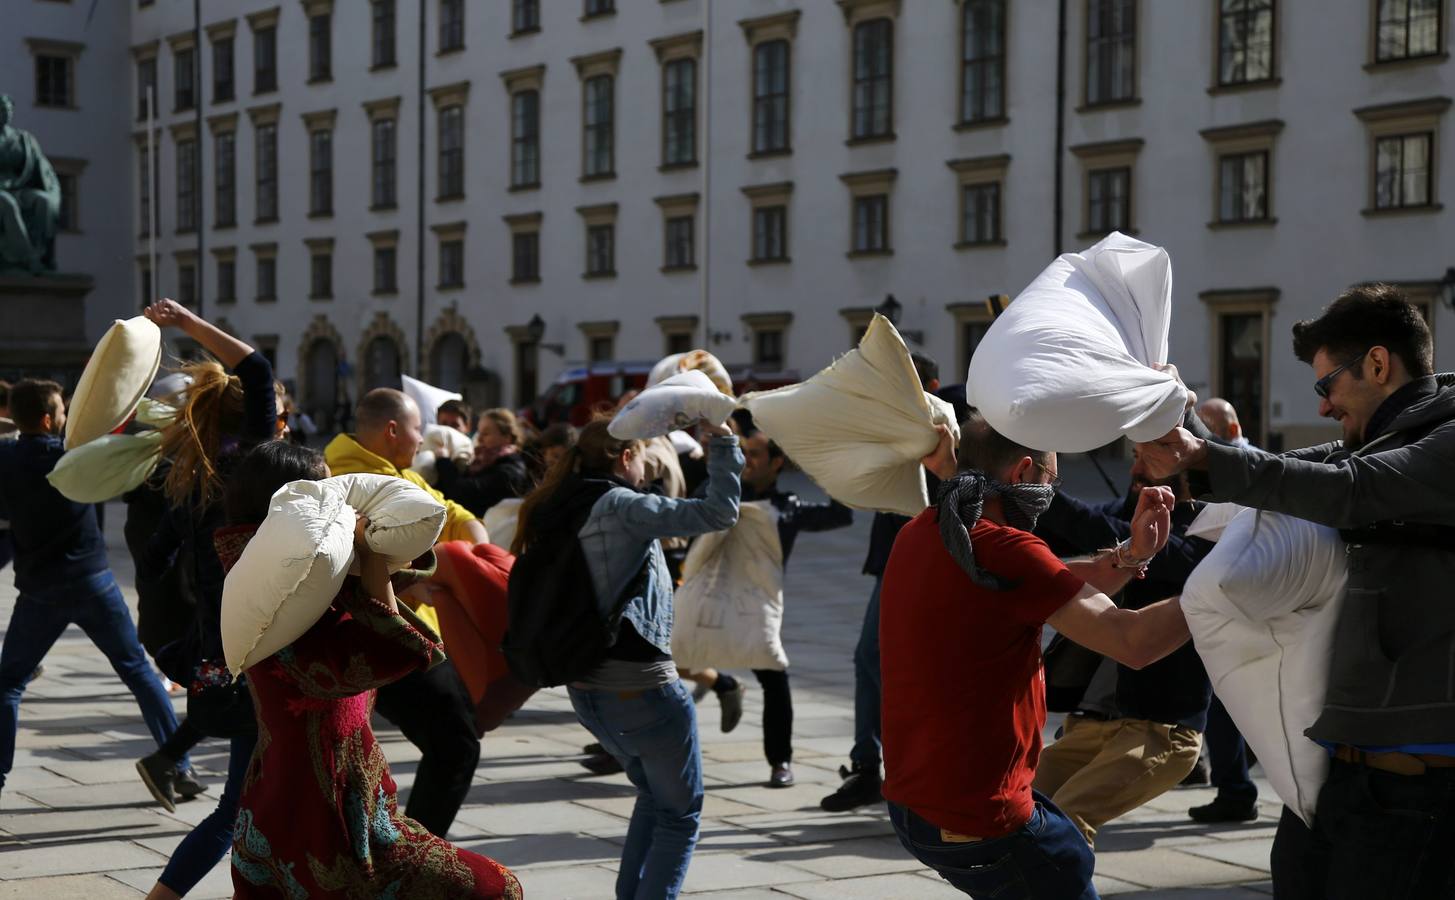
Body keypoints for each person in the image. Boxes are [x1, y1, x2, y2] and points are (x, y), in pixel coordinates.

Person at [1136, 284, 1455, 899]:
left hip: (1421, 788)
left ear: (1379, 364)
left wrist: (1201, 452)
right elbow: (1286, 476)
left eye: (1326, 385)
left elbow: (1349, 490)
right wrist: (1174, 416)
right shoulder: (1377, 443)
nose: (1326, 406)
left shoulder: (1439, 444)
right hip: (1347, 770)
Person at [881, 410, 1191, 898]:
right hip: (981, 812)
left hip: (914, 803)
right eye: (1052, 477)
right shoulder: (1004, 549)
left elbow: (1051, 580)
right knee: (1065, 865)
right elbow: (1134, 643)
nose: (1050, 494)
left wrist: (1132, 555)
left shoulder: (925, 530)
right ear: (1024, 473)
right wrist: (1225, 585)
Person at [215, 442, 521, 899]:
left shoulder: (272, 581)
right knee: (498, 889)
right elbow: (379, 651)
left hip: (281, 796)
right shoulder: (291, 595)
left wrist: (378, 548)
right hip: (332, 817)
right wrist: (372, 554)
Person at [514, 416, 741, 899]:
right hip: (643, 691)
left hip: (587, 692)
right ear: (624, 457)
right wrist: (723, 442)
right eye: (642, 456)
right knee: (680, 816)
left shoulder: (558, 502)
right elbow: (719, 512)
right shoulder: (620, 505)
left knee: (655, 800)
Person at [131, 299, 285, 899]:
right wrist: (190, 324)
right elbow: (259, 370)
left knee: (255, 803)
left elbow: (152, 562)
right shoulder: (260, 467)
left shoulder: (194, 487)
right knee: (239, 806)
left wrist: (183, 643)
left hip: (224, 655)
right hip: (277, 656)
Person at [0, 379, 185, 808]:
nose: (66, 417)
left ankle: (0, 773)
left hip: (40, 588)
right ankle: (178, 764)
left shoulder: (6, 457)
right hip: (94, 581)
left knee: (9, 684)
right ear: (49, 419)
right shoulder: (78, 453)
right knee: (138, 671)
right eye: (61, 411)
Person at [1031, 447, 1215, 846]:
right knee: (1021, 807)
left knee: (1064, 824)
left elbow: (1097, 527)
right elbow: (1064, 529)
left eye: (1147, 458)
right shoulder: (1132, 511)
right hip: (1096, 724)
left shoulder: (1205, 536)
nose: (1134, 467)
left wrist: (1038, 479)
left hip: (1162, 731)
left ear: (1182, 473)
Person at [324, 388, 485, 836]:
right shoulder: (354, 479)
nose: (423, 439)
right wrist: (424, 578)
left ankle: (405, 854)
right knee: (456, 744)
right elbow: (371, 566)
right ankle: (414, 861)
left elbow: (448, 510)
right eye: (418, 429)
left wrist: (474, 540)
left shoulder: (397, 473)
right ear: (393, 430)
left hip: (400, 632)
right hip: (382, 634)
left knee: (453, 740)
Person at [822, 351, 940, 812]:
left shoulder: (945, 424)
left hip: (928, 563)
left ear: (928, 386)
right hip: (893, 559)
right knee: (869, 660)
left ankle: (910, 770)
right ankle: (870, 767)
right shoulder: (891, 428)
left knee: (892, 664)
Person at [1186, 397, 1260, 824]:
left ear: (1230, 431)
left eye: (1208, 431)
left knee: (1222, 702)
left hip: (1237, 606)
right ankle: (1232, 779)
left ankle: (1235, 786)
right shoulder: (1237, 467)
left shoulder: (1244, 470)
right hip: (1233, 603)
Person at [436, 407, 533, 518]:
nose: (480, 439)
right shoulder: (479, 462)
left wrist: (443, 461)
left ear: (507, 437)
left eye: (486, 434)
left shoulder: (510, 471)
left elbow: (461, 492)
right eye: (479, 432)